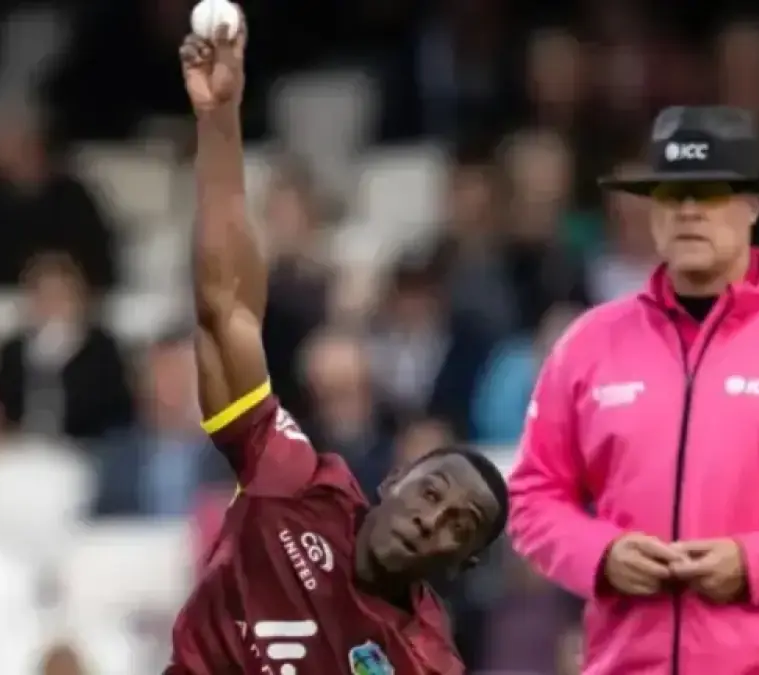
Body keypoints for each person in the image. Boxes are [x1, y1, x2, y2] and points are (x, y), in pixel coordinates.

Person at [505, 105, 759, 674]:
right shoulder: (588, 343)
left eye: (710, 193)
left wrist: (758, 563)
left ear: (753, 205)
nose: (689, 211)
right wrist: (601, 556)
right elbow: (533, 497)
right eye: (671, 195)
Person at [167, 10, 509, 674]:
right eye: (431, 492)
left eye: (458, 525)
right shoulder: (297, 485)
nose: (431, 519)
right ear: (395, 478)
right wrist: (220, 120)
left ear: (462, 563)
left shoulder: (425, 661)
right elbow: (224, 309)